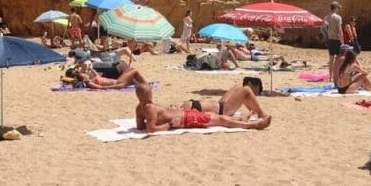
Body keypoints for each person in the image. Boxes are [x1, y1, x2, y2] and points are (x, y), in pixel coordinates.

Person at [134, 83, 271, 132]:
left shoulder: (140, 108)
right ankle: (255, 123)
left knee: (221, 117)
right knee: (222, 119)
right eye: (150, 93)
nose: (151, 96)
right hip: (188, 117)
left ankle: (244, 120)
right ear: (147, 95)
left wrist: (157, 119)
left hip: (188, 113)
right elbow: (150, 129)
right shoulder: (149, 108)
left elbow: (140, 126)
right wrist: (169, 124)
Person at [79, 62, 148, 89]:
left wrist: (91, 69)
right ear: (84, 79)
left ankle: (142, 84)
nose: (85, 74)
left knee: (131, 69)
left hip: (118, 81)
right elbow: (101, 88)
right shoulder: (89, 83)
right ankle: (146, 85)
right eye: (84, 75)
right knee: (135, 71)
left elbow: (97, 75)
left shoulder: (92, 79)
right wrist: (117, 86)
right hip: (118, 83)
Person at [324, 1, 343, 82]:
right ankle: (338, 76)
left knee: (331, 59)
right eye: (338, 7)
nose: (338, 9)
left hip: (330, 40)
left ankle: (330, 77)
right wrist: (342, 41)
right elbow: (340, 30)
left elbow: (324, 30)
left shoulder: (326, 17)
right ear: (335, 8)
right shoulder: (338, 17)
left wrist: (327, 37)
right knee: (339, 59)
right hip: (337, 39)